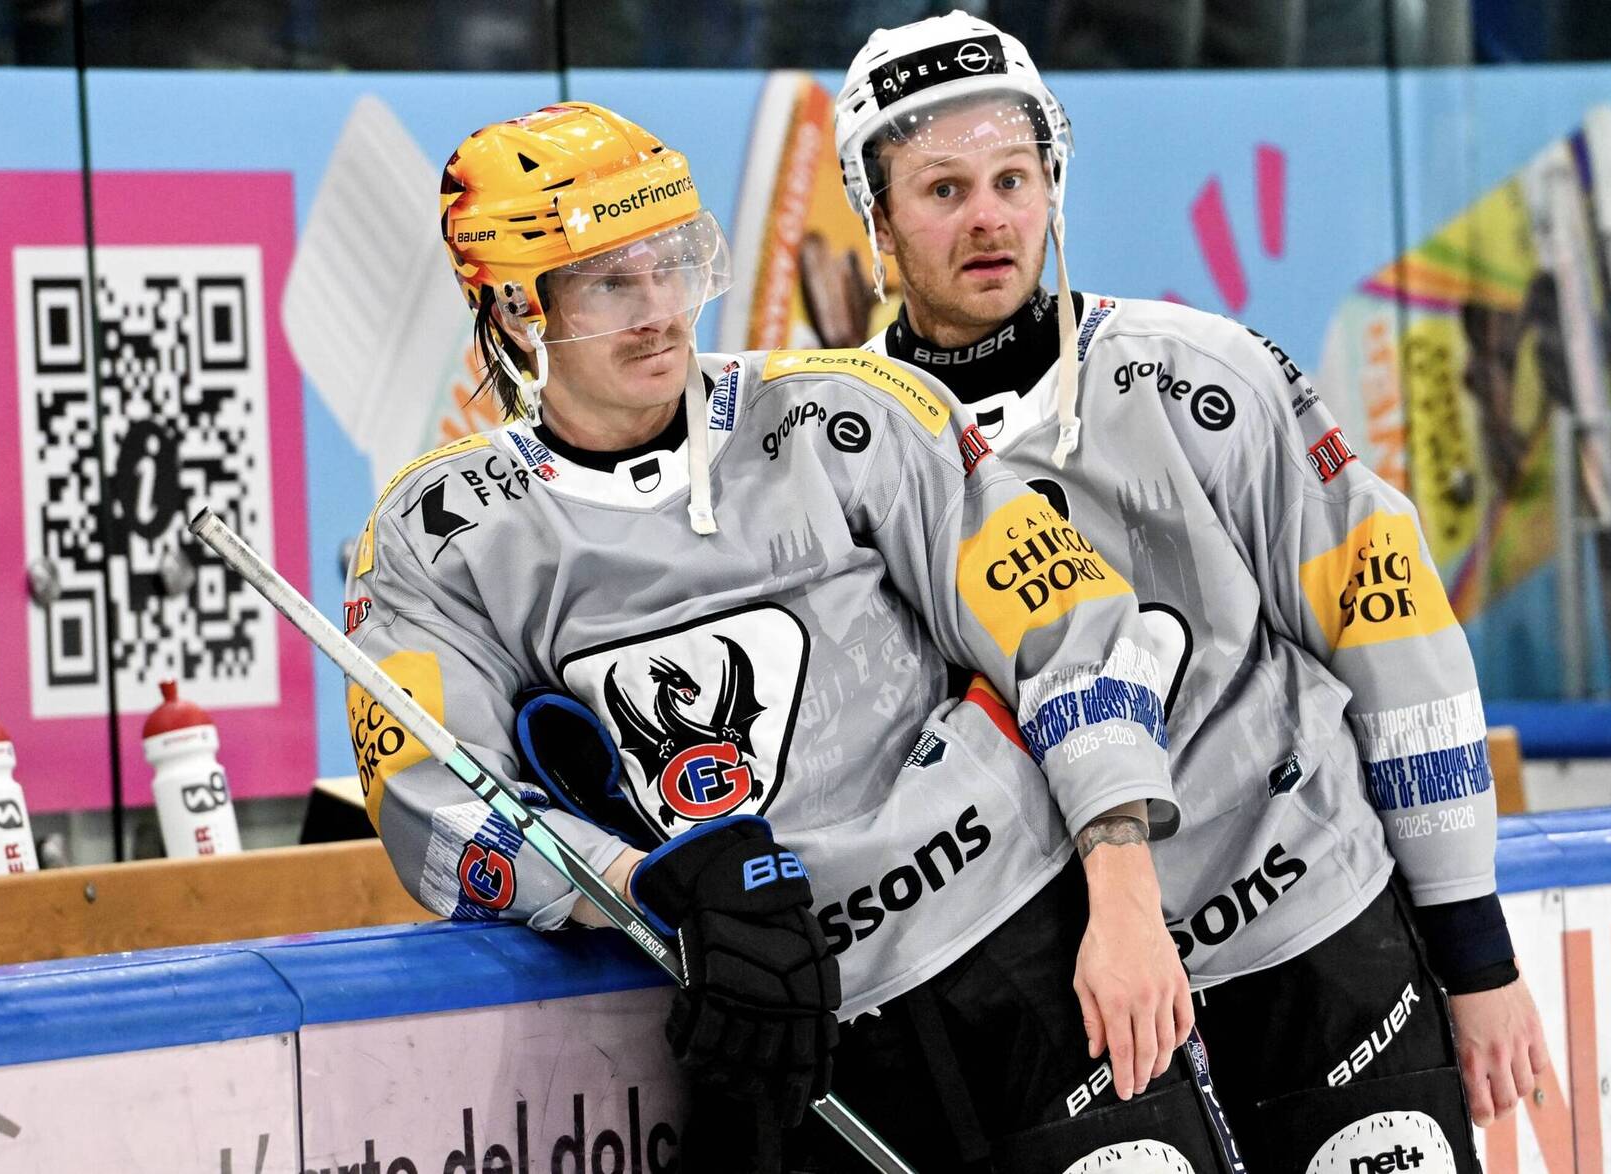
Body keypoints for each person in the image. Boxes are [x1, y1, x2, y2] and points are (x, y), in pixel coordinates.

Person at [345, 101, 1231, 1172]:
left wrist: (1128, 898)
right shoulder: (438, 535)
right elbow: (430, 808)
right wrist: (635, 880)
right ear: (519, 312)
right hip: (783, 1033)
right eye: (608, 283)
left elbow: (1072, 638)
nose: (660, 311)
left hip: (1021, 957)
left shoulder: (848, 416)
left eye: (674, 264)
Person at [836, 14, 1550, 1171]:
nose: (988, 217)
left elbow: (1394, 638)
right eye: (942, 188)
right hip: (1057, 996)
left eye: (1013, 178)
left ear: (1052, 185)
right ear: (874, 219)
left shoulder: (1205, 377)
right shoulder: (839, 447)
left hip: (1306, 930)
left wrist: (1474, 954)